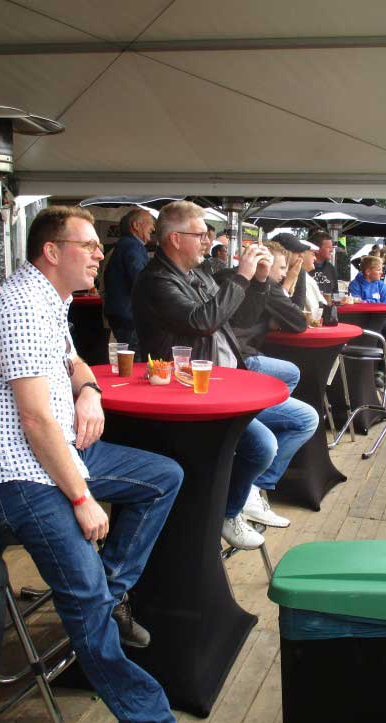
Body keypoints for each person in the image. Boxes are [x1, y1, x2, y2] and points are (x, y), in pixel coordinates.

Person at [0, 205, 197, 723]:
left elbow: (77, 364)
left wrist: (88, 391)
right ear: (51, 252)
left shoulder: (51, 300)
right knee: (84, 600)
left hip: (57, 455)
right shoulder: (19, 306)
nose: (99, 255)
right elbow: (36, 420)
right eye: (87, 246)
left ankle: (108, 598)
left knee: (165, 476)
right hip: (17, 475)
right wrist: (83, 497)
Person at [132, 201, 318, 550]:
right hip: (189, 394)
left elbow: (237, 318)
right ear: (174, 238)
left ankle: (243, 494)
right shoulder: (155, 281)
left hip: (225, 383)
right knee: (262, 445)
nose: (207, 241)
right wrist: (243, 276)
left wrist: (259, 280)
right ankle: (229, 510)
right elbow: (202, 322)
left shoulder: (198, 273)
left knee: (303, 418)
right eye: (200, 234)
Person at [214, 242, 319, 528]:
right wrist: (289, 283)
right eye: (281, 267)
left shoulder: (237, 281)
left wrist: (290, 279)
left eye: (285, 267)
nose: (283, 272)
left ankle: (252, 486)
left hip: (236, 363)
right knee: (293, 375)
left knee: (298, 406)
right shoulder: (262, 286)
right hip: (241, 365)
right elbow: (298, 321)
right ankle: (253, 485)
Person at [103, 207, 155, 354]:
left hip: (121, 313)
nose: (153, 227)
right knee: (134, 357)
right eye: (150, 223)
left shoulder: (125, 244)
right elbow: (141, 280)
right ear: (136, 225)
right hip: (129, 315)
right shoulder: (133, 246)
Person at [349, 255, 386, 358]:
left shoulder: (381, 285)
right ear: (368, 272)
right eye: (379, 270)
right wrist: (375, 302)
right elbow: (355, 304)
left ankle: (382, 368)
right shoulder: (355, 284)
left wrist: (365, 301)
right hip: (360, 320)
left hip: (380, 319)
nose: (382, 273)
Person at [309, 230, 337, 295]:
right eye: (328, 247)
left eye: (332, 247)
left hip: (328, 304)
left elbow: (335, 294)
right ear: (317, 250)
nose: (332, 250)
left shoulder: (331, 268)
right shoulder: (305, 268)